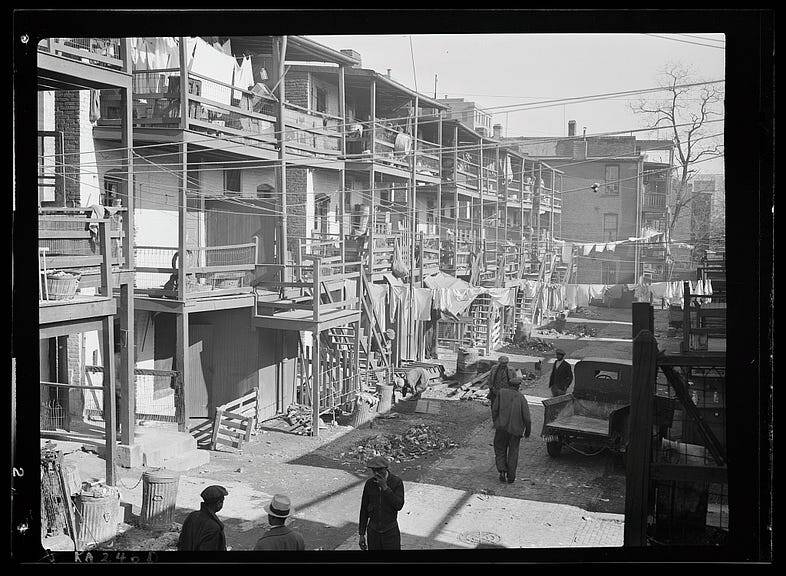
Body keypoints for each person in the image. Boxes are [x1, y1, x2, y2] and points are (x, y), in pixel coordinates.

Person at [358, 455, 405, 551]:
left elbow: (398, 505)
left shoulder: (396, 482)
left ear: (386, 469)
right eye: (374, 470)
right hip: (373, 531)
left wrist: (385, 488)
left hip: (390, 531)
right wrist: (361, 534)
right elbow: (364, 509)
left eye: (379, 470)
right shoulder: (369, 484)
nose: (376, 473)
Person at [492, 379, 531, 484]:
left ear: (509, 385)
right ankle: (511, 476)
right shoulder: (521, 398)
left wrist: (496, 422)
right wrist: (528, 431)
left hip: (501, 428)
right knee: (513, 452)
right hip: (515, 430)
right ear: (518, 386)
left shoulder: (501, 393)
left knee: (500, 448)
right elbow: (527, 418)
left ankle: (502, 470)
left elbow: (494, 409)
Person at [178, 485, 228, 551]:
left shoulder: (192, 516)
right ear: (219, 503)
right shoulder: (214, 527)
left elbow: (181, 541)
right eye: (222, 501)